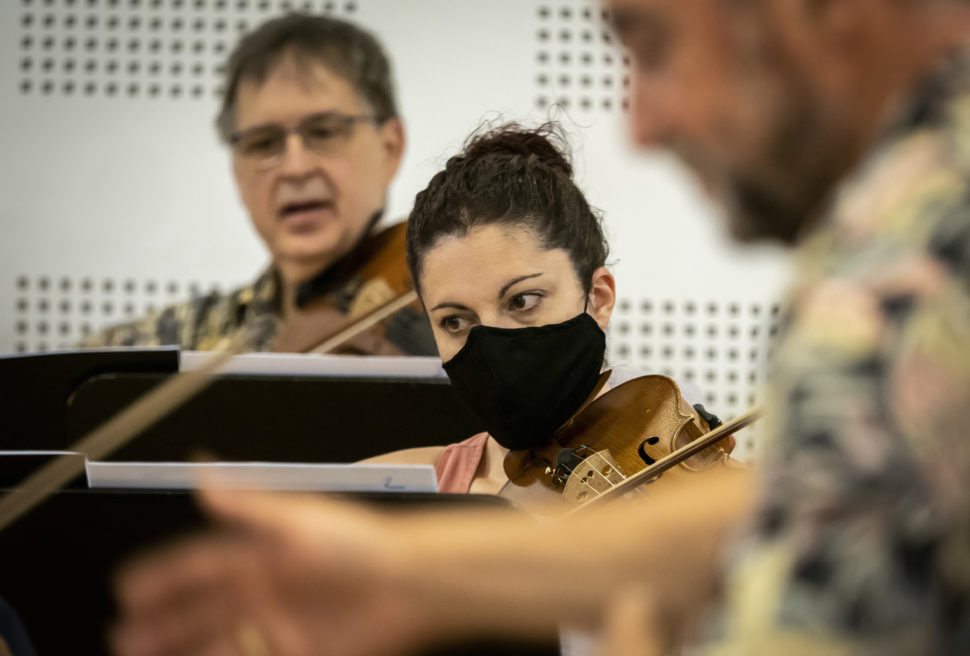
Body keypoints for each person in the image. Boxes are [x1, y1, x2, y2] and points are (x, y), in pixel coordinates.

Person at [112, 1, 970, 655]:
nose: (642, 124)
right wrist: (405, 571)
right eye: (452, 320)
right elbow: (801, 524)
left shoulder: (928, 249)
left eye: (654, 43)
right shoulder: (889, 233)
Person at [362, 123, 733, 495]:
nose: (492, 346)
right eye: (455, 321)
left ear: (598, 298)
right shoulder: (399, 492)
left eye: (522, 301)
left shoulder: (703, 493)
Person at [84, 13, 435, 356]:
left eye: (324, 132)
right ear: (237, 173)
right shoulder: (190, 341)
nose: (295, 168)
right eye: (264, 143)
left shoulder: (444, 300)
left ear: (390, 148)